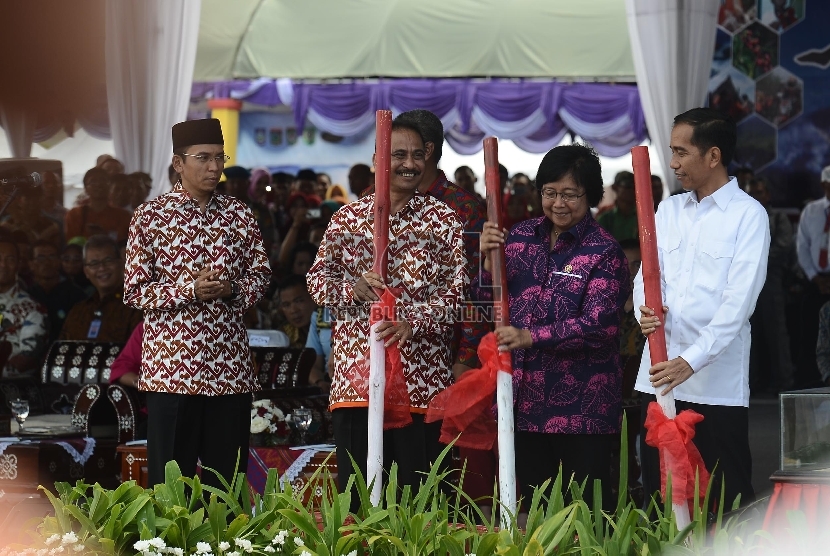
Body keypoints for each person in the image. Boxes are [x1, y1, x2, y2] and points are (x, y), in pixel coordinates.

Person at [307, 118, 466, 502]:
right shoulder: (347, 218)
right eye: (398, 155)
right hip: (357, 384)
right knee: (360, 502)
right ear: (378, 159)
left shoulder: (443, 220)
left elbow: (457, 290)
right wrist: (352, 288)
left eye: (416, 155)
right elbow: (316, 283)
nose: (409, 164)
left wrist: (415, 321)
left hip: (421, 383)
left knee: (420, 505)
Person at [478, 144, 630, 513]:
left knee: (586, 517)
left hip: (582, 411)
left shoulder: (604, 251)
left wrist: (531, 336)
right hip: (522, 405)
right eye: (550, 192)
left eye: (570, 194)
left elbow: (601, 325)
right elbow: (486, 303)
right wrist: (485, 262)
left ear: (590, 195)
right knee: (529, 514)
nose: (559, 203)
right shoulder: (518, 237)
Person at [124, 118, 271, 489]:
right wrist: (188, 290)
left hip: (229, 372)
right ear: (179, 163)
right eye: (203, 158)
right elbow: (135, 290)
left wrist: (231, 289)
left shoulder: (240, 215)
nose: (215, 168)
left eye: (220, 158)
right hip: (172, 374)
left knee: (228, 489)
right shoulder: (150, 217)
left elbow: (261, 277)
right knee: (171, 490)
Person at [635, 108, 770, 510]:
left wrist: (690, 361)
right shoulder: (668, 210)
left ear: (713, 156)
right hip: (657, 377)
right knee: (660, 500)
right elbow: (645, 274)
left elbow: (738, 304)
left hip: (714, 385)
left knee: (723, 504)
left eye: (681, 152)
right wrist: (645, 306)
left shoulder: (748, 215)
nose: (673, 163)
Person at [394, 109, 489, 377]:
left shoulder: (463, 209)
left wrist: (466, 357)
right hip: (381, 350)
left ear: (426, 150)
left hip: (441, 355)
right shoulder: (374, 200)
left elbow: (475, 288)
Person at [746, 177, 795, 393]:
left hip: (771, 281)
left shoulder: (778, 218)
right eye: (752, 193)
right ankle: (751, 382)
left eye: (760, 192)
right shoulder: (744, 217)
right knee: (748, 333)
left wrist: (756, 260)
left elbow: (784, 247)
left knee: (776, 333)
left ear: (767, 194)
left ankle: (784, 383)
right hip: (746, 282)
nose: (757, 197)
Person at [59, 235, 142, 342]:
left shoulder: (138, 307)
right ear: (86, 271)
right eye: (94, 264)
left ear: (120, 264)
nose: (102, 268)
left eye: (108, 261)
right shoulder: (78, 311)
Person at [795, 165, 830, 387]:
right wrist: (815, 277)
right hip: (816, 279)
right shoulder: (812, 211)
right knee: (809, 328)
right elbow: (802, 246)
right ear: (824, 185)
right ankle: (811, 377)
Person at [0, 238, 48, 377]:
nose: (3, 265)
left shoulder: (33, 309)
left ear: (18, 264)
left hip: (10, 390)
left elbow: (27, 360)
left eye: (10, 259)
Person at [27, 241, 87, 344]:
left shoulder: (76, 295)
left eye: (52, 257)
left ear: (59, 262)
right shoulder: (26, 296)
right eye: (41, 258)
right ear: (31, 264)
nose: (47, 262)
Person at [65, 168, 132, 242]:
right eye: (93, 181)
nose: (98, 184)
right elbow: (71, 244)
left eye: (103, 180)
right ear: (86, 189)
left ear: (110, 186)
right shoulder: (75, 215)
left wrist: (105, 236)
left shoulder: (123, 216)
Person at [274, 275, 317, 349]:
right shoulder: (283, 336)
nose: (293, 310)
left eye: (299, 301)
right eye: (286, 305)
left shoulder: (331, 328)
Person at [596, 171, 638, 242]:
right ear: (615, 187)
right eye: (628, 187)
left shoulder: (643, 216)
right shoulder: (606, 218)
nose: (632, 190)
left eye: (635, 187)